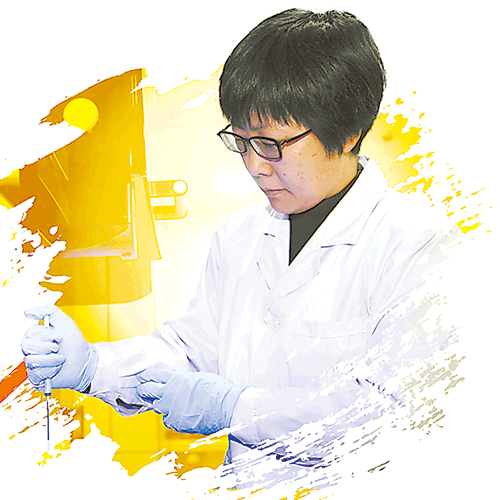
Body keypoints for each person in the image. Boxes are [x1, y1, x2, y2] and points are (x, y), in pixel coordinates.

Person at [21, 8, 460, 488]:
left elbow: (394, 419)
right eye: (242, 141)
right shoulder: (237, 238)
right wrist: (92, 366)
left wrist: (233, 408)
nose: (254, 165)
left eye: (272, 144)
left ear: (348, 131)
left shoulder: (422, 247)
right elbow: (190, 351)